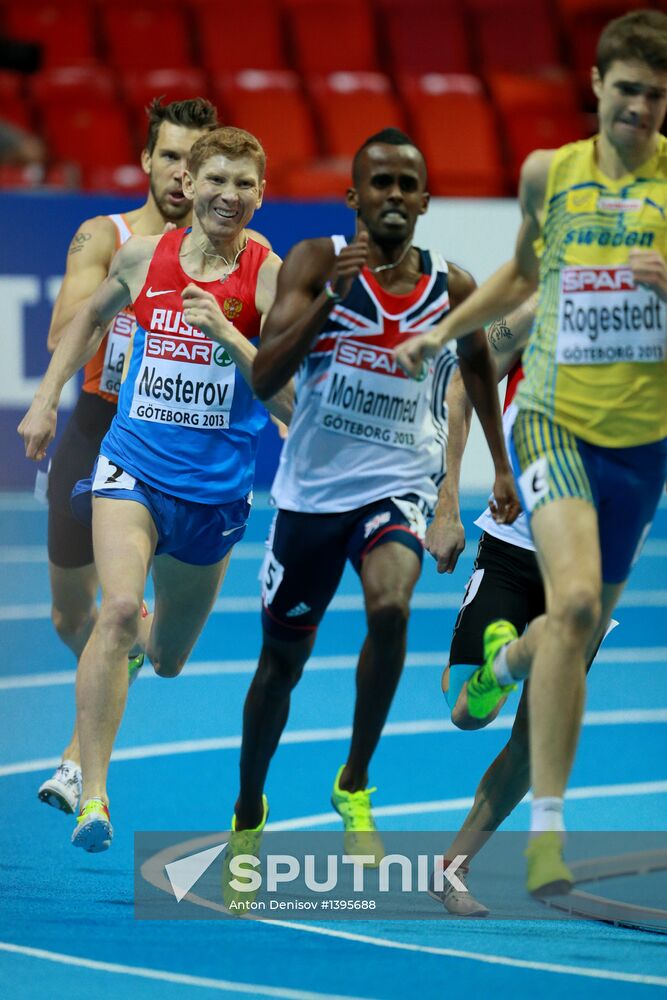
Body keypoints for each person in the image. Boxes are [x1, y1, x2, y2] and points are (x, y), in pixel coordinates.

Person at [395, 10, 667, 898]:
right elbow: (478, 358)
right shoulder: (549, 189)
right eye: (626, 89)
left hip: (632, 463)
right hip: (537, 487)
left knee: (538, 712)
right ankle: (504, 667)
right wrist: (455, 494)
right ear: (594, 87)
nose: (640, 106)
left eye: (656, 95)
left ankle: (457, 860)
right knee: (479, 701)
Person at [222, 127, 519, 906]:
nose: (392, 195)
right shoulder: (315, 262)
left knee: (390, 606)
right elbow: (263, 375)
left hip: (396, 486)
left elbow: (482, 365)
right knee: (278, 667)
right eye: (378, 183)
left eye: (405, 185)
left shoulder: (451, 287)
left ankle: (353, 783)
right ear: (353, 197)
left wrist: (500, 465)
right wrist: (328, 302)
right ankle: (248, 813)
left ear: (424, 200)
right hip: (311, 498)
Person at [19, 126, 291, 853]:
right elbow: (87, 319)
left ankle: (133, 661)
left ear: (261, 197)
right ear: (189, 187)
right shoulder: (144, 256)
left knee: (166, 658)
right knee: (114, 611)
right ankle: (93, 792)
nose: (228, 195)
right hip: (132, 467)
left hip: (214, 495)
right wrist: (46, 400)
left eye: (244, 184)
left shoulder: (269, 277)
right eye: (216, 180)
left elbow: (291, 403)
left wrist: (230, 338)